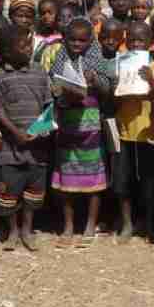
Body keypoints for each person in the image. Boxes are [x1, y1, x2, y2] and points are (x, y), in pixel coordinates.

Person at [0, 25, 53, 251]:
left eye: (29, 45)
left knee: (33, 192)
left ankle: (27, 229)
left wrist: (41, 129)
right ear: (6, 52)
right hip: (10, 146)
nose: (28, 49)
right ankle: (13, 230)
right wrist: (16, 133)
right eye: (22, 46)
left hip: (37, 146)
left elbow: (48, 104)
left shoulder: (39, 71)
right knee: (9, 191)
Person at [49, 18, 108, 248]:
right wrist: (60, 90)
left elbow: (107, 87)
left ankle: (90, 225)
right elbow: (52, 86)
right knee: (66, 177)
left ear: (90, 40)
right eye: (72, 39)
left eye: (82, 40)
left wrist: (95, 81)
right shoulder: (60, 58)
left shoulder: (96, 59)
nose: (76, 44)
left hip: (91, 126)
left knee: (93, 176)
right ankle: (68, 226)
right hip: (67, 125)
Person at [112, 21, 154, 241]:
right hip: (124, 129)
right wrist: (116, 84)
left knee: (148, 179)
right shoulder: (119, 63)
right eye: (131, 40)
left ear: (150, 44)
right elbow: (112, 94)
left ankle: (148, 222)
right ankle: (127, 223)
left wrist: (151, 80)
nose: (136, 44)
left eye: (141, 40)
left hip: (148, 131)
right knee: (123, 179)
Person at [33, 0, 62, 66]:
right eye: (43, 13)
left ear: (58, 13)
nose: (46, 16)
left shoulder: (62, 38)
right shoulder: (35, 36)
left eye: (50, 13)